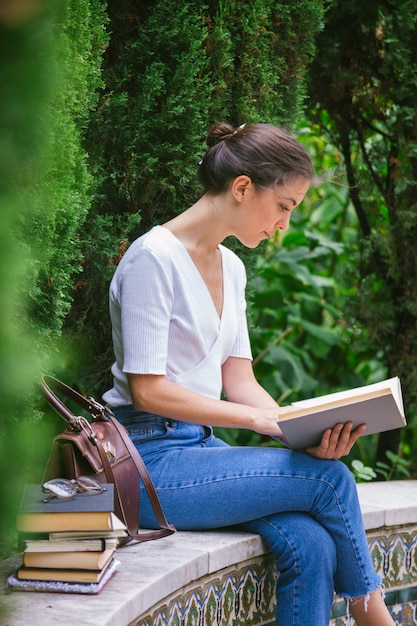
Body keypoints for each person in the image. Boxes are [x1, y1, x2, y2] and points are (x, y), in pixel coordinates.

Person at [103, 123, 395, 626]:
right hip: (145, 462)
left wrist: (300, 426)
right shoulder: (152, 259)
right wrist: (261, 423)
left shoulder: (232, 267)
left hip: (199, 452)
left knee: (310, 545)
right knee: (331, 482)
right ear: (242, 188)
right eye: (283, 206)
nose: (284, 223)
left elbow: (239, 380)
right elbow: (148, 390)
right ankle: (377, 620)